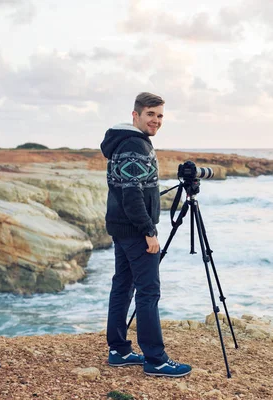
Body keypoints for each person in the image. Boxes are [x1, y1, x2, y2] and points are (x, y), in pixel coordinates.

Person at [100, 92, 192, 378]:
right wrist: (149, 231)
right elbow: (132, 195)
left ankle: (119, 350)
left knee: (123, 286)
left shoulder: (122, 141)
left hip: (121, 228)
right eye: (151, 114)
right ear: (135, 115)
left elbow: (130, 187)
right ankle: (156, 359)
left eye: (160, 115)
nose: (156, 120)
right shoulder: (135, 145)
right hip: (135, 231)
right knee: (148, 292)